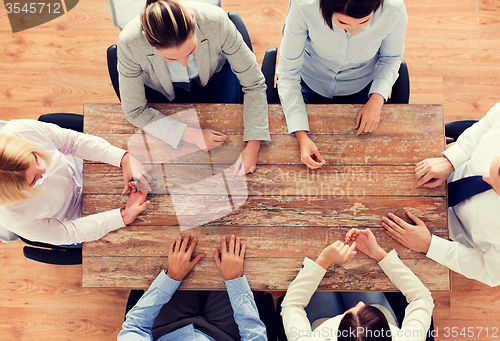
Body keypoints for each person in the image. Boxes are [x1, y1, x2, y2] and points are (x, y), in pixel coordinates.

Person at [117, 0, 270, 175]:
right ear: (147, 40)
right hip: (162, 88)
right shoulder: (130, 42)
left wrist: (254, 144)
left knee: (230, 119)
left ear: (192, 19)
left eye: (191, 51)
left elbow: (254, 82)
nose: (184, 63)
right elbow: (135, 111)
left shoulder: (216, 20)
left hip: (214, 74)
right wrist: (190, 134)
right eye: (171, 59)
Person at [276, 0, 407, 169]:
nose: (353, 32)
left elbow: (391, 59)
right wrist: (301, 135)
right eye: (342, 23)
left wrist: (376, 100)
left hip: (362, 86)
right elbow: (287, 74)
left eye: (364, 22)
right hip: (309, 82)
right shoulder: (304, 6)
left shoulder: (393, 10)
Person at [382, 103, 500, 287]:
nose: (484, 177)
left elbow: (490, 272)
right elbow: (488, 123)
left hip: (450, 235)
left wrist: (429, 245)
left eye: (494, 186)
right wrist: (452, 160)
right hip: (444, 172)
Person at [0, 119, 150, 246]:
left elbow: (71, 142)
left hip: (82, 164)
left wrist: (122, 158)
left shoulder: (20, 131)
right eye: (33, 179)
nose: (43, 170)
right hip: (77, 217)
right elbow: (70, 233)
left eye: (35, 158)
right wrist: (123, 217)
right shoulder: (14, 218)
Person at [281, 228, 433, 341]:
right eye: (365, 308)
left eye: (352, 311)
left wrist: (323, 262)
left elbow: (292, 305)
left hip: (321, 327)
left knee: (319, 283)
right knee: (358, 271)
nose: (360, 303)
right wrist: (377, 252)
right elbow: (422, 297)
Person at [118, 233, 267, 340]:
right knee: (241, 251)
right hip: (224, 335)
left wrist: (172, 277)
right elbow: (254, 336)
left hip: (168, 328)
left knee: (183, 239)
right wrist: (235, 280)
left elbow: (134, 327)